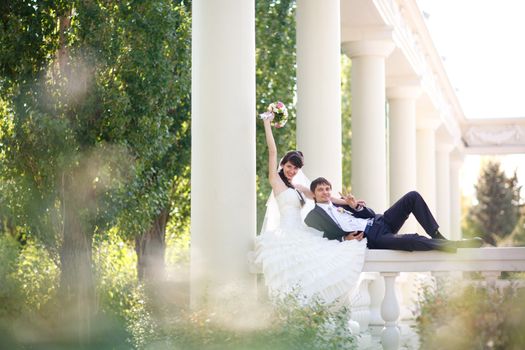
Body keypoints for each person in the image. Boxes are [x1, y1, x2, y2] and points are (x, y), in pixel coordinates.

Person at [254, 114, 367, 304]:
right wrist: (267, 123)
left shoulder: (298, 188)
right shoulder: (276, 182)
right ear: (283, 165)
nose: (292, 171)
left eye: (296, 169)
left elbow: (324, 196)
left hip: (302, 232)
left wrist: (348, 203)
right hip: (287, 233)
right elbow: (272, 151)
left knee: (320, 265)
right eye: (289, 166)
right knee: (295, 271)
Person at [304, 177, 484, 252]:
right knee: (411, 239)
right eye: (321, 190)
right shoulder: (313, 217)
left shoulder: (340, 203)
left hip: (380, 221)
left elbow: (369, 213)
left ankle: (437, 234)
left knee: (412, 196)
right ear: (314, 194)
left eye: (328, 189)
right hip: (372, 237)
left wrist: (356, 207)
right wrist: (345, 240)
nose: (326, 192)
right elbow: (319, 241)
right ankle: (455, 246)